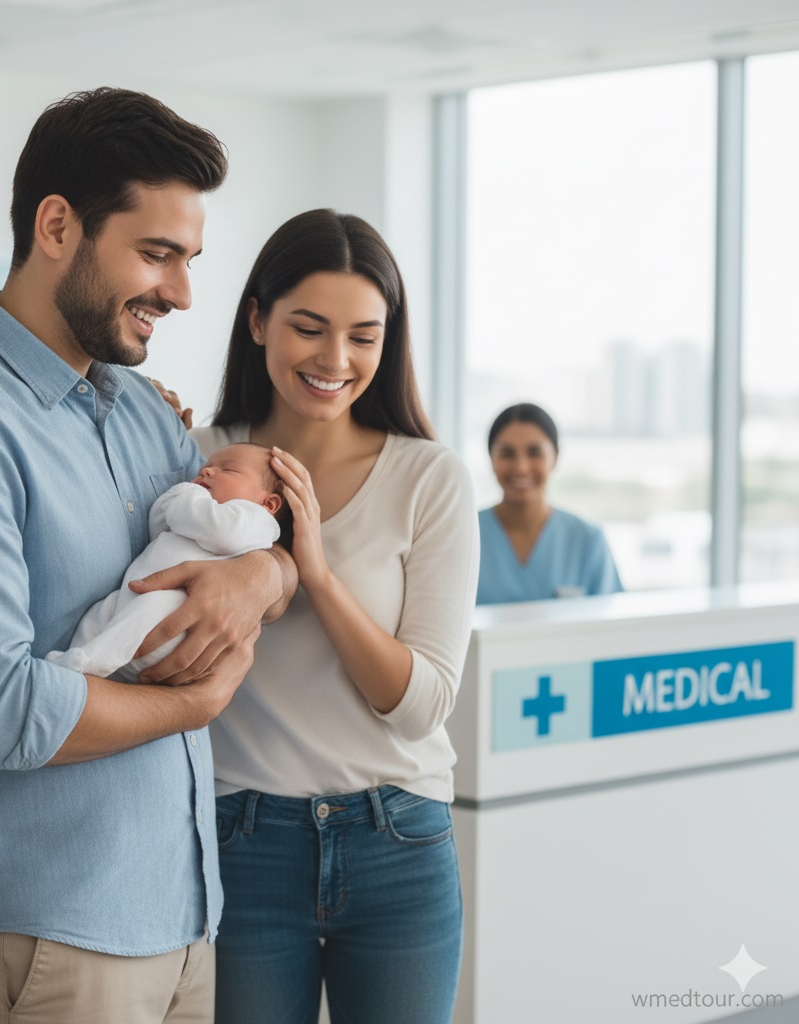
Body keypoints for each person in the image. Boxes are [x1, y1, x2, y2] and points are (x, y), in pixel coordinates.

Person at [0, 87, 296, 1024]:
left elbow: (245, 545)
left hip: (182, 911)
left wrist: (267, 572)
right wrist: (198, 701)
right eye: (156, 253)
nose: (180, 292)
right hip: (50, 933)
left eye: (189, 259)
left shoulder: (143, 412)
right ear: (57, 225)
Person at [189, 209, 480, 1024]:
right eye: (309, 329)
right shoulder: (193, 458)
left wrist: (312, 568)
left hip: (399, 842)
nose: (335, 360)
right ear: (257, 320)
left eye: (363, 335)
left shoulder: (430, 478)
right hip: (241, 836)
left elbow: (421, 702)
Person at [46, 443, 291, 681]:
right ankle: (77, 655)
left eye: (229, 469)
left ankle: (90, 662)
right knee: (99, 615)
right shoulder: (198, 511)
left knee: (149, 608)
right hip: (132, 599)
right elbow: (159, 523)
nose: (207, 471)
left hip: (175, 619)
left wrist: (189, 494)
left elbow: (221, 532)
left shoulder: (255, 520)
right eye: (206, 467)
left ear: (269, 503)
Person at [476, 402, 623, 604]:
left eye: (534, 452)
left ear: (555, 457)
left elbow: (613, 627)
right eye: (507, 454)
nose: (521, 467)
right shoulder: (464, 536)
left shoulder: (588, 541)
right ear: (491, 458)